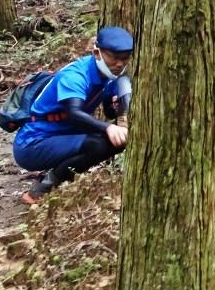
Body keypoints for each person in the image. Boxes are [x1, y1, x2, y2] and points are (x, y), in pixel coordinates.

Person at [13, 27, 135, 204]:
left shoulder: (109, 77)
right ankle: (44, 187)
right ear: (97, 53)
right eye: (114, 58)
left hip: (62, 137)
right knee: (98, 144)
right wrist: (109, 127)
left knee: (112, 143)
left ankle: (55, 174)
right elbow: (73, 113)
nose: (119, 64)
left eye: (124, 59)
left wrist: (117, 106)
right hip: (33, 143)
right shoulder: (75, 76)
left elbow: (109, 111)